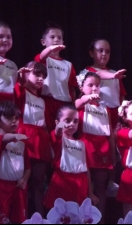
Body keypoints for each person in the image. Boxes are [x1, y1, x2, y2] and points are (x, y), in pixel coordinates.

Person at [83, 38, 127, 191]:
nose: (104, 54)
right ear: (91, 53)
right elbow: (98, 74)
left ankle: (111, 181)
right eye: (100, 50)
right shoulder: (87, 72)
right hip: (95, 116)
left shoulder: (115, 74)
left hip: (112, 113)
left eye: (107, 51)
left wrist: (121, 110)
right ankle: (92, 184)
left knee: (113, 146)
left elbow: (121, 95)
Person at [75, 71, 114, 223]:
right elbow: (77, 104)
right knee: (84, 185)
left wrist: (111, 152)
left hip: (102, 147)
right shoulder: (81, 104)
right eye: (90, 85)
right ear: (81, 87)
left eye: (97, 86)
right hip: (86, 146)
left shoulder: (105, 109)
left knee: (100, 185)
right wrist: (87, 98)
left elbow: (110, 133)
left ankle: (100, 219)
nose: (94, 89)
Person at [43, 105, 98, 210]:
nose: (72, 124)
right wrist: (60, 126)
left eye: (75, 121)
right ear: (57, 122)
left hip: (80, 184)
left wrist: (90, 193)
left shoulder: (81, 144)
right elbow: (57, 132)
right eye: (67, 120)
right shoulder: (58, 138)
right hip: (62, 181)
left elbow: (87, 170)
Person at [15, 61, 51, 216]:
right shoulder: (20, 92)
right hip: (23, 138)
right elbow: (17, 95)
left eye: (43, 76)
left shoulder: (42, 101)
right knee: (20, 181)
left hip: (40, 141)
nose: (41, 78)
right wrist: (21, 80)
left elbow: (44, 125)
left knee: (38, 183)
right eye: (37, 74)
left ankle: (39, 218)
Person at [34, 21, 78, 132]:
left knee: (63, 133)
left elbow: (72, 88)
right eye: (52, 37)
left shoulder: (68, 64)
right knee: (48, 131)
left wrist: (73, 106)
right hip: (47, 102)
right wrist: (50, 49)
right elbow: (42, 57)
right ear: (43, 42)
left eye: (59, 37)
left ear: (63, 41)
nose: (56, 40)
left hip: (64, 104)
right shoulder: (43, 59)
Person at [0, 101, 30, 224]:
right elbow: (4, 139)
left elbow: (28, 167)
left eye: (16, 118)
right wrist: (14, 137)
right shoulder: (6, 139)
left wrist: (24, 179)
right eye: (8, 117)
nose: (14, 121)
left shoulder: (21, 142)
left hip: (18, 187)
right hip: (2, 188)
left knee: (19, 219)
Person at [0, 21, 18, 102]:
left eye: (8, 37)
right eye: (1, 36)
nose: (5, 40)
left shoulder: (12, 65)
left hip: (9, 105)